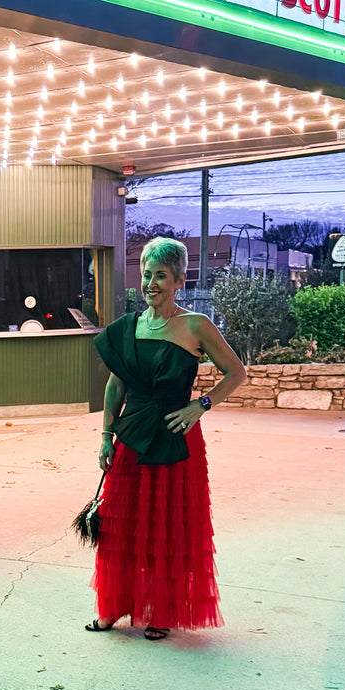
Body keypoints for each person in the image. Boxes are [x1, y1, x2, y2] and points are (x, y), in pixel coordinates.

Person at [86, 237, 246, 640]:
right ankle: (113, 608)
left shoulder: (196, 325)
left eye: (160, 275)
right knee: (121, 528)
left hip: (177, 442)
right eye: (146, 274)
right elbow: (114, 387)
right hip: (130, 439)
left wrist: (201, 406)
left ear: (180, 280)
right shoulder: (129, 328)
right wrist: (106, 436)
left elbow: (237, 373)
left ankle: (162, 611)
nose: (151, 283)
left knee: (168, 530)